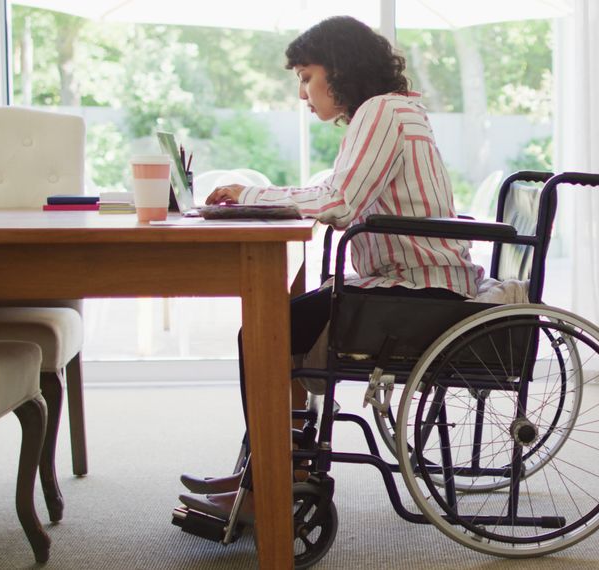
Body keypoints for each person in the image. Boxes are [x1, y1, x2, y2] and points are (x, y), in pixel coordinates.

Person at [178, 15, 484, 518]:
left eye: (305, 76)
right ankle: (269, 468)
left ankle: (270, 481)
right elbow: (337, 190)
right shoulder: (388, 110)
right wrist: (251, 195)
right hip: (410, 281)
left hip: (415, 291)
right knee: (278, 325)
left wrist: (247, 193)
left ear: (338, 69)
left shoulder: (382, 112)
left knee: (264, 332)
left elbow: (339, 202)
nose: (302, 94)